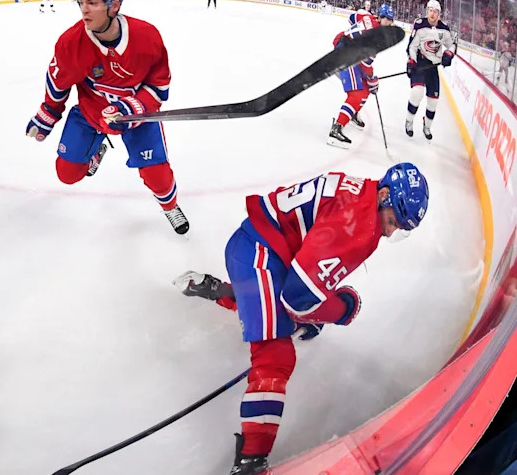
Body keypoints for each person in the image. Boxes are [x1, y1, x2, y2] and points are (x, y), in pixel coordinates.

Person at [173, 163, 429, 475]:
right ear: (385, 195)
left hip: (261, 248)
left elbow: (308, 268)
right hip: (259, 257)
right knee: (275, 355)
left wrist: (315, 307)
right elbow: (298, 300)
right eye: (392, 221)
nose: (390, 231)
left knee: (277, 314)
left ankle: (217, 289)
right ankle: (251, 461)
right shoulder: (358, 225)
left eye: (398, 229)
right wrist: (343, 308)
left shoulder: (364, 191)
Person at [25, 0, 189, 235]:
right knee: (67, 174)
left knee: (157, 177)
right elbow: (58, 82)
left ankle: (169, 206)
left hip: (137, 119)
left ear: (114, 4)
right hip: (90, 114)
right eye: (81, 2)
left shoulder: (147, 37)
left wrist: (132, 108)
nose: (84, 10)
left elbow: (159, 87)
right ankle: (95, 151)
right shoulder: (71, 43)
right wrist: (48, 113)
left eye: (92, 3)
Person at [327, 5, 393, 148]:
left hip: (346, 48)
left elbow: (353, 17)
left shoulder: (367, 16)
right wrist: (372, 79)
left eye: (390, 21)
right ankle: (336, 129)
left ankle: (352, 113)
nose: (389, 23)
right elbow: (365, 64)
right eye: (386, 20)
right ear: (380, 18)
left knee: (365, 88)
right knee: (357, 94)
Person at [405, 0, 455, 140]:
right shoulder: (420, 25)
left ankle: (427, 126)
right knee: (417, 92)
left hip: (433, 68)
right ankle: (409, 121)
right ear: (427, 11)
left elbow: (452, 44)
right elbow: (412, 46)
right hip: (421, 64)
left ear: (439, 14)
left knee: (433, 101)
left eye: (435, 11)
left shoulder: (444, 29)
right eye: (430, 11)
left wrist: (449, 54)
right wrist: (411, 61)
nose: (432, 14)